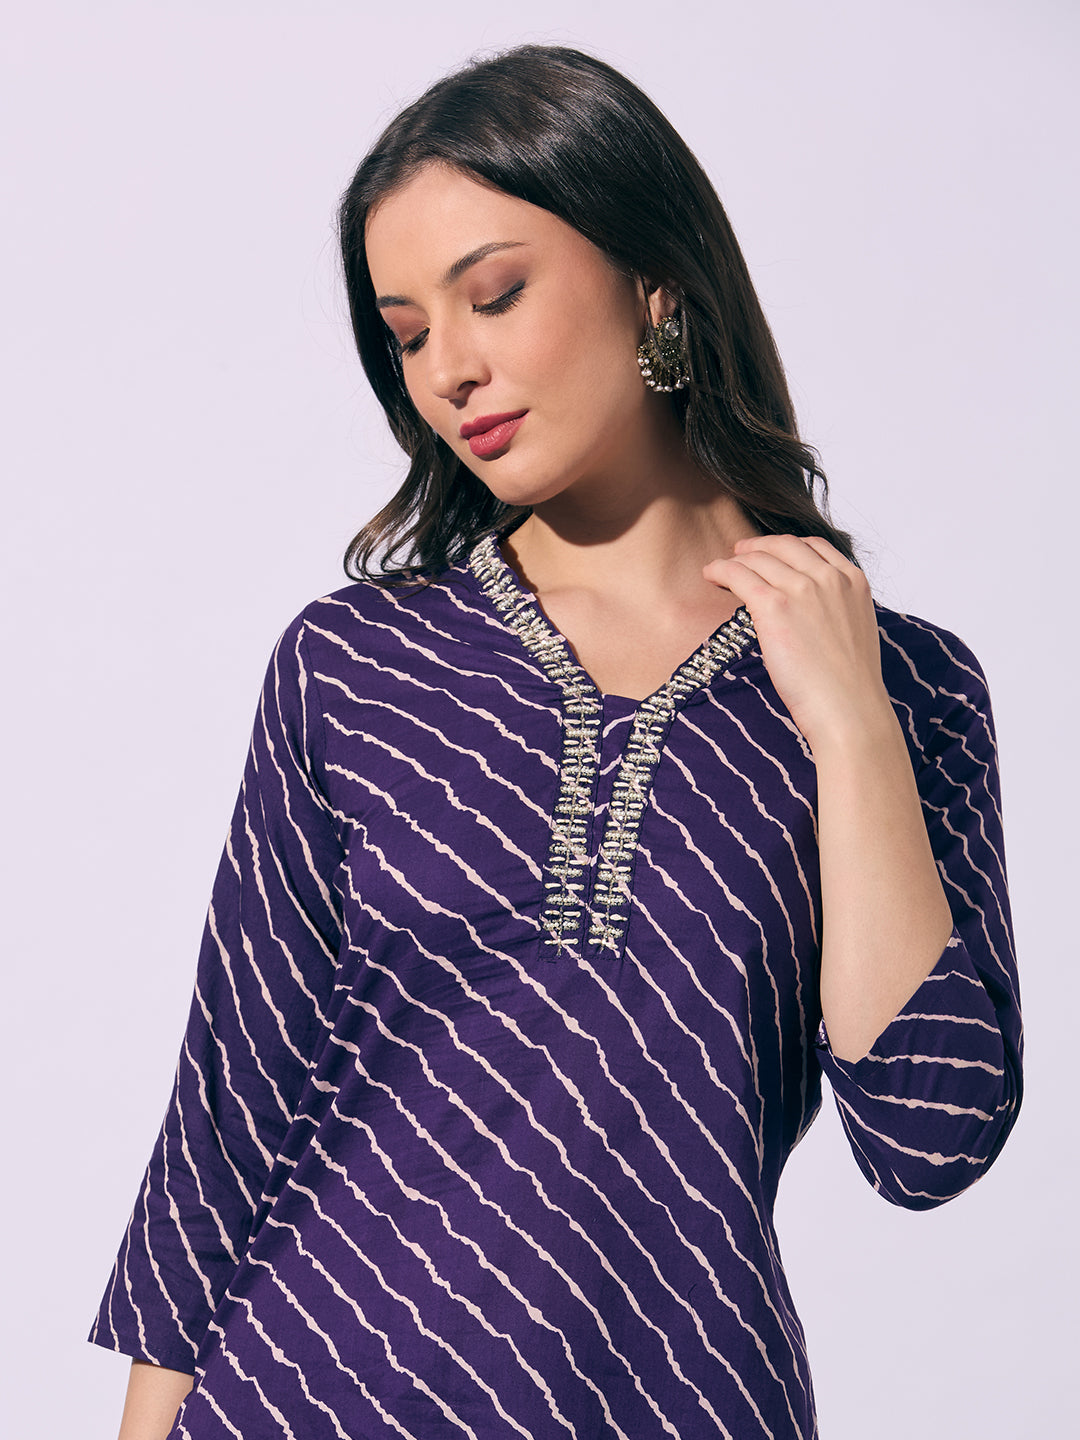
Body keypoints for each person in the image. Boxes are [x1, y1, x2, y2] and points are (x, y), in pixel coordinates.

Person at [90, 44, 1023, 1440]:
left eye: (496, 295)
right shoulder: (359, 666)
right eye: (408, 334)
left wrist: (848, 725)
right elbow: (228, 1118)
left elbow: (930, 1133)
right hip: (307, 1397)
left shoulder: (910, 692)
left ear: (656, 281)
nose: (451, 370)